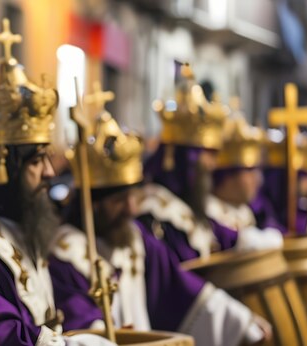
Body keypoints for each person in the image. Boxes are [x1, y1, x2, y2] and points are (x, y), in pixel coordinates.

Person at [50, 112, 271, 346]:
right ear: (92, 205)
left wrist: (242, 321)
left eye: (133, 196)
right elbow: (78, 319)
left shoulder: (135, 240)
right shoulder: (66, 255)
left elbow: (181, 291)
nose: (131, 208)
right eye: (119, 201)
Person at [0, 19, 111, 346]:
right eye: (36, 161)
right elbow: (3, 334)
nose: (49, 172)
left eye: (48, 157)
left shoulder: (17, 230)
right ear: (0, 168)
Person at [138, 64, 272, 261]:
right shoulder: (154, 212)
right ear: (186, 158)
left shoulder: (197, 208)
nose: (213, 164)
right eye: (207, 154)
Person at [207, 113, 285, 245]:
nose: (258, 179)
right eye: (249, 171)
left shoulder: (245, 213)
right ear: (226, 176)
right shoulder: (211, 216)